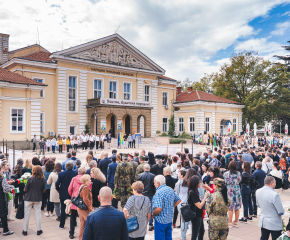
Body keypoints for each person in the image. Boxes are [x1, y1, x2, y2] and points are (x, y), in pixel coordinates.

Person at [151, 175, 181, 240]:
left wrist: (153, 214)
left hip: (160, 220)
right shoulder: (170, 189)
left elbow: (158, 209)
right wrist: (170, 206)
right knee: (168, 237)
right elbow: (178, 200)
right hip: (169, 219)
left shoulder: (158, 192)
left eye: (154, 183)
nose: (154, 184)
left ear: (158, 183)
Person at [22, 166, 46, 236]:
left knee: (27, 215)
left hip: (28, 198)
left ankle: (25, 231)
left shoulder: (30, 179)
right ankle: (38, 230)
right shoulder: (43, 179)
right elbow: (44, 190)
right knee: (38, 214)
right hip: (38, 198)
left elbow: (25, 190)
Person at [55, 161, 78, 230]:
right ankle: (74, 224)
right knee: (73, 209)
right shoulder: (75, 173)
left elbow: (57, 183)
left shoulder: (61, 174)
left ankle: (62, 225)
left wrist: (58, 189)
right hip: (72, 193)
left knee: (63, 209)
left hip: (63, 193)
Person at [188, 175, 210, 240]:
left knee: (201, 231)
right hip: (196, 216)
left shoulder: (195, 191)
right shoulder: (192, 192)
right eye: (199, 182)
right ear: (195, 183)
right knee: (195, 234)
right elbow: (199, 206)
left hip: (199, 215)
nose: (200, 184)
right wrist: (205, 197)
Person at [68, 167, 88, 239]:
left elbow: (69, 189)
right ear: (84, 172)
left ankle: (71, 233)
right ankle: (83, 234)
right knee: (82, 220)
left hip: (75, 200)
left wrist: (72, 196)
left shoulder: (74, 179)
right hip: (83, 201)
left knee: (73, 217)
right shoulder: (86, 180)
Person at [137, 164, 155, 231]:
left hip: (142, 194)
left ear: (144, 169)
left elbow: (137, 186)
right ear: (149, 168)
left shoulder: (140, 175)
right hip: (150, 194)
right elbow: (154, 186)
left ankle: (141, 224)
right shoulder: (153, 176)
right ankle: (150, 224)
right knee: (150, 209)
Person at [175, 170, 191, 238]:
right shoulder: (191, 182)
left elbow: (177, 193)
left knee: (183, 220)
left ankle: (183, 237)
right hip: (188, 202)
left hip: (181, 202)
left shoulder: (179, 182)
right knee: (191, 221)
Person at [77, 174, 94, 240]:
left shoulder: (82, 186)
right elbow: (86, 199)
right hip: (84, 209)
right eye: (89, 179)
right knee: (89, 223)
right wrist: (90, 209)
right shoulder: (85, 187)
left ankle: (81, 238)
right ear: (86, 180)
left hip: (81, 208)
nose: (90, 180)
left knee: (82, 224)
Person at [0, 164, 14, 236]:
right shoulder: (2, 179)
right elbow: (6, 189)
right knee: (3, 215)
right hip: (1, 199)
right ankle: (6, 230)